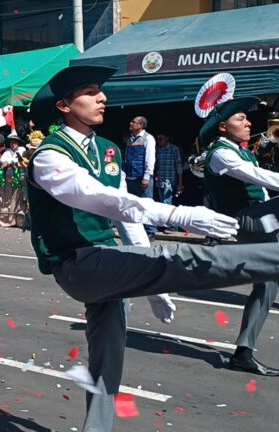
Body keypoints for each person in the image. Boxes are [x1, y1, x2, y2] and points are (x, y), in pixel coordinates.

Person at [27, 65, 279, 432]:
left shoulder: (108, 149)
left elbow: (126, 215)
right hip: (78, 264)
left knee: (107, 358)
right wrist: (180, 215)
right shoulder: (50, 156)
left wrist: (153, 287)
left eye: (101, 91)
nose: (103, 98)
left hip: (108, 260)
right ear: (64, 105)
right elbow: (99, 198)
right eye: (90, 92)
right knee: (178, 258)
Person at [200, 96, 279, 376]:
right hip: (244, 219)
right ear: (223, 127)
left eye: (247, 118)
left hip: (262, 218)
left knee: (268, 284)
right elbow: (254, 176)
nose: (248, 122)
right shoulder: (221, 153)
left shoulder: (239, 149)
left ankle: (243, 353)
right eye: (240, 119)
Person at [123, 115, 157, 239]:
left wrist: (147, 177)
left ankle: (151, 231)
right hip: (130, 177)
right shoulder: (130, 139)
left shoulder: (148, 138)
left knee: (146, 204)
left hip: (141, 177)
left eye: (134, 122)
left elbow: (150, 158)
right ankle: (138, 229)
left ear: (141, 125)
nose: (131, 123)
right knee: (133, 204)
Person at [153, 132, 183, 206]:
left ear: (167, 138)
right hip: (159, 180)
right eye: (157, 139)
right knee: (161, 201)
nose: (158, 141)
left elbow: (179, 166)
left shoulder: (174, 149)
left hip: (169, 180)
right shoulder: (157, 150)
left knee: (167, 201)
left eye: (160, 139)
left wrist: (180, 182)